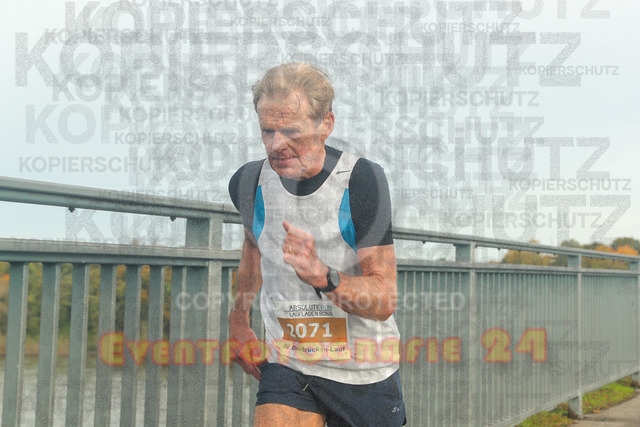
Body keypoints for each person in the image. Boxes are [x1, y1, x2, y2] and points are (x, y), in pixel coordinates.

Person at [228, 63, 406, 426]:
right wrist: (239, 319)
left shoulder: (360, 181)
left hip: (363, 371)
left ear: (326, 124)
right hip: (290, 366)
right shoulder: (249, 182)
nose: (277, 145)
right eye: (267, 131)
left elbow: (384, 299)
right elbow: (253, 245)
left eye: (291, 131)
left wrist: (324, 276)